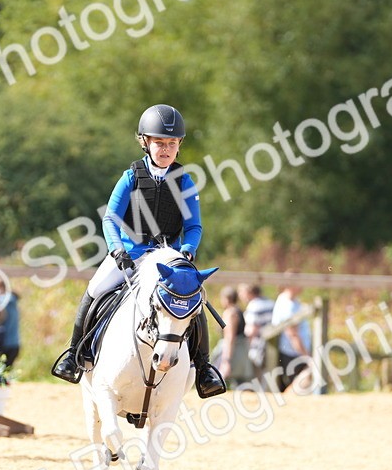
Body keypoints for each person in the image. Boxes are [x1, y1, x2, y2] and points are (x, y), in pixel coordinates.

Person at [51, 104, 226, 398]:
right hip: (130, 256)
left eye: (172, 143)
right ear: (145, 141)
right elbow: (111, 219)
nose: (166, 149)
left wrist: (187, 251)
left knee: (191, 300)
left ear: (179, 145)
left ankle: (204, 367)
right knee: (95, 288)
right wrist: (117, 250)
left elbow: (194, 226)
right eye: (160, 143)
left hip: (167, 260)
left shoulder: (184, 181)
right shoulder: (130, 176)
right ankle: (74, 354)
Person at [270, 281, 311, 391]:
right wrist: (307, 356)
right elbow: (292, 333)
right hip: (292, 354)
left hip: (296, 353)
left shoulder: (294, 302)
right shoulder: (287, 305)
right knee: (294, 390)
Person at [211, 285, 252, 386]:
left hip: (232, 352)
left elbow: (230, 337)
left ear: (226, 299)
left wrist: (226, 361)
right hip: (241, 351)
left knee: (215, 378)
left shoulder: (230, 313)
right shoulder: (238, 310)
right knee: (239, 383)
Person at [241, 283, 274, 378]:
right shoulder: (270, 303)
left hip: (257, 348)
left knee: (255, 378)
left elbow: (251, 330)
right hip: (271, 347)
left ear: (249, 292)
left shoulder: (254, 306)